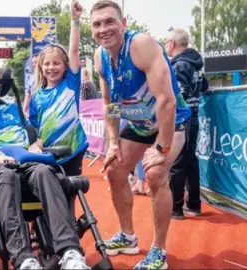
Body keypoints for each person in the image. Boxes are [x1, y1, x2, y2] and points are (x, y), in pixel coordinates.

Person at [0, 60, 88, 270]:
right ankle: (24, 259)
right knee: (6, 176)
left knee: (45, 171)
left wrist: (36, 146)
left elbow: (33, 137)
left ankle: (70, 251)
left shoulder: (13, 109)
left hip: (26, 162)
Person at [90, 1, 192, 269]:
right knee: (114, 169)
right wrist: (113, 143)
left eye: (110, 21)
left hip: (170, 120)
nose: (104, 29)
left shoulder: (141, 45)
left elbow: (167, 101)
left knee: (157, 175)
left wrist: (160, 148)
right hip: (137, 123)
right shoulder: (100, 57)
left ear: (123, 24)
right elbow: (109, 104)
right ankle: (127, 236)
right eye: (97, 24)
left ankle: (158, 252)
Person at [29, 1, 88, 176]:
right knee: (50, 193)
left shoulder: (70, 84)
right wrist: (35, 144)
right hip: (48, 154)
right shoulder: (36, 96)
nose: (51, 67)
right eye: (47, 64)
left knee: (70, 192)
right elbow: (36, 129)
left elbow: (74, 51)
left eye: (56, 63)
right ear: (40, 67)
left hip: (73, 150)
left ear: (65, 66)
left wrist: (75, 21)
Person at [165, 28, 208, 219]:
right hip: (195, 117)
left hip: (183, 120)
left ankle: (175, 209)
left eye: (166, 41)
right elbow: (204, 86)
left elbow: (179, 95)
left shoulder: (179, 65)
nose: (166, 45)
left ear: (172, 43)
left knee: (178, 162)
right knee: (191, 161)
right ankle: (194, 205)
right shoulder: (195, 65)